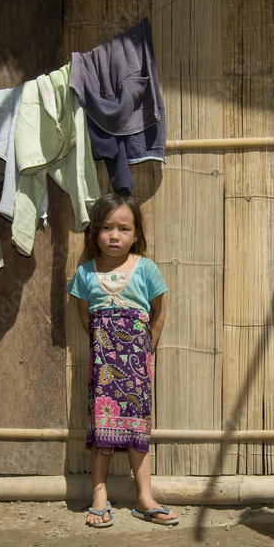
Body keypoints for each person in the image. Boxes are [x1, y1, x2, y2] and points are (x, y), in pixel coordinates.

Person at [66, 192, 178, 528]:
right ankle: (98, 494)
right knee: (102, 427)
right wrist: (106, 346)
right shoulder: (86, 274)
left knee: (137, 428)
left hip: (136, 366)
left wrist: (146, 349)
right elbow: (87, 319)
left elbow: (158, 312)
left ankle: (144, 497)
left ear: (136, 234)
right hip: (104, 367)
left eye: (124, 229)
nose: (115, 236)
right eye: (106, 228)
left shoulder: (146, 270)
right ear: (95, 233)